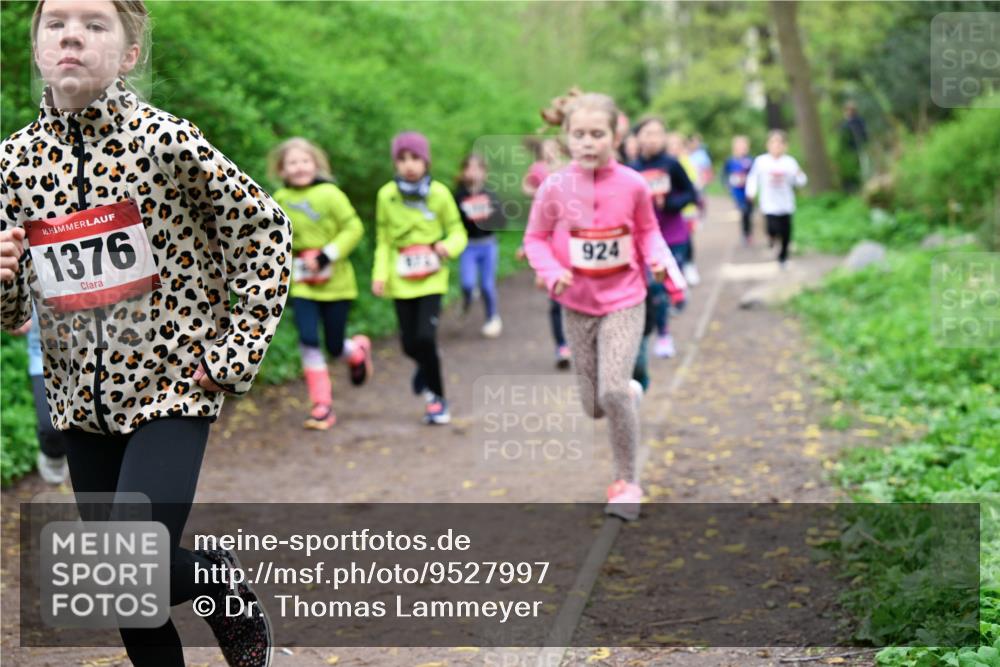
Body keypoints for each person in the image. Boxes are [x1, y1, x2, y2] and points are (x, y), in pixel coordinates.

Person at [0, 2, 290, 665]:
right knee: (122, 589)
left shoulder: (166, 142)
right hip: (79, 401)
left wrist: (234, 351)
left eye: (95, 23)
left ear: (129, 55)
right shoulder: (12, 163)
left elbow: (266, 232)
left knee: (127, 559)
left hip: (171, 386)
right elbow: (12, 306)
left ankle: (218, 583)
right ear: (38, 46)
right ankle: (211, 578)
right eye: (56, 23)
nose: (72, 33)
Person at [523, 91, 683, 521]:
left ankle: (626, 482)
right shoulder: (555, 187)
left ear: (615, 135)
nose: (588, 143)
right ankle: (627, 393)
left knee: (610, 390)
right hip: (576, 303)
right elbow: (535, 238)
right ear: (566, 137)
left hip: (626, 298)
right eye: (579, 135)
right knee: (593, 404)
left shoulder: (633, 184)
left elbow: (649, 233)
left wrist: (661, 261)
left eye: (597, 134)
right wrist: (552, 269)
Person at [270, 137, 373, 430]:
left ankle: (356, 352)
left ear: (316, 164)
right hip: (303, 283)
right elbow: (275, 237)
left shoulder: (330, 194)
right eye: (292, 163)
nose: (300, 167)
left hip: (336, 283)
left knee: (334, 344)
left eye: (305, 161)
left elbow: (354, 228)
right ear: (282, 169)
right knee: (308, 340)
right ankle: (322, 406)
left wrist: (327, 255)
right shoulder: (279, 199)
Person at [372, 131, 467, 424]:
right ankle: (425, 364)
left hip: (431, 278)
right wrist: (380, 274)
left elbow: (457, 231)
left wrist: (447, 247)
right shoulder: (386, 195)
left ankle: (437, 399)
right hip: (401, 280)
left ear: (425, 161)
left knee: (426, 338)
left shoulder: (439, 194)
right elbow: (384, 240)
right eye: (402, 159)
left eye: (415, 158)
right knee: (410, 345)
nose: (409, 165)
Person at [628, 117, 698, 359]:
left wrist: (670, 204)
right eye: (647, 133)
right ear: (637, 138)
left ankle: (669, 317)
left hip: (673, 234)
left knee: (664, 284)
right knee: (654, 288)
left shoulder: (672, 164)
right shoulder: (632, 169)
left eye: (658, 133)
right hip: (645, 239)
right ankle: (662, 333)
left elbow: (691, 193)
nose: (653, 138)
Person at [520, 136, 571, 368]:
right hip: (545, 229)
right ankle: (561, 345)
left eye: (555, 148)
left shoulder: (572, 170)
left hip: (569, 236)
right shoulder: (537, 169)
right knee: (556, 297)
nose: (551, 152)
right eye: (547, 148)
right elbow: (526, 186)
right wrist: (538, 192)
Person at [454, 153, 506, 338]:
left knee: (486, 285)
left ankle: (492, 318)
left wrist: (492, 213)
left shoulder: (490, 194)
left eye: (477, 168)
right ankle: (466, 303)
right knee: (467, 284)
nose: (473, 172)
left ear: (484, 172)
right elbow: (453, 222)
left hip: (488, 245)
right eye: (469, 167)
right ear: (463, 171)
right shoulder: (458, 195)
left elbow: (502, 222)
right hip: (468, 246)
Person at [745, 130, 808, 268]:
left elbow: (801, 181)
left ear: (785, 146)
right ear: (768, 145)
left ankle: (783, 258)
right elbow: (753, 178)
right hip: (769, 203)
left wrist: (798, 174)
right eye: (773, 142)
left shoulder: (790, 162)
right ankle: (771, 238)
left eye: (780, 143)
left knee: (786, 232)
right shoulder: (761, 161)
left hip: (786, 203)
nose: (777, 146)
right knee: (772, 228)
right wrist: (751, 192)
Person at [722, 135, 756, 245]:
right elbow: (724, 175)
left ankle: (748, 231)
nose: (742, 148)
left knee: (749, 213)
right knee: (744, 212)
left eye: (743, 145)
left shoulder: (751, 160)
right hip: (737, 192)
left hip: (749, 191)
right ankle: (745, 234)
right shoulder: (730, 160)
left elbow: (755, 174)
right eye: (739, 145)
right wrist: (728, 185)